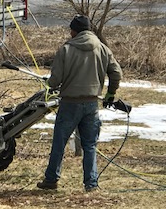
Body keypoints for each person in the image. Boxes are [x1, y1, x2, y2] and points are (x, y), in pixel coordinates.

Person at [37, 15, 123, 192]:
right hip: (92, 104)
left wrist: (48, 84)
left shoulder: (66, 49)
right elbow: (116, 74)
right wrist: (110, 93)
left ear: (75, 30)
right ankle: (91, 183)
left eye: (71, 29)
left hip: (69, 104)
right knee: (90, 145)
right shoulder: (103, 49)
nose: (70, 32)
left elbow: (55, 80)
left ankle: (51, 179)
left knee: (59, 143)